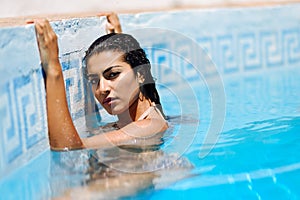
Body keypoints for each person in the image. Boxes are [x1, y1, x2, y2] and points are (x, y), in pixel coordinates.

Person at [33, 13, 168, 151]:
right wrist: (118, 40)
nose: (102, 89)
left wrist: (53, 69)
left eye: (113, 74)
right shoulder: (151, 110)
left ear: (140, 75)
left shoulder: (149, 126)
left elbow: (67, 146)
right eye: (94, 80)